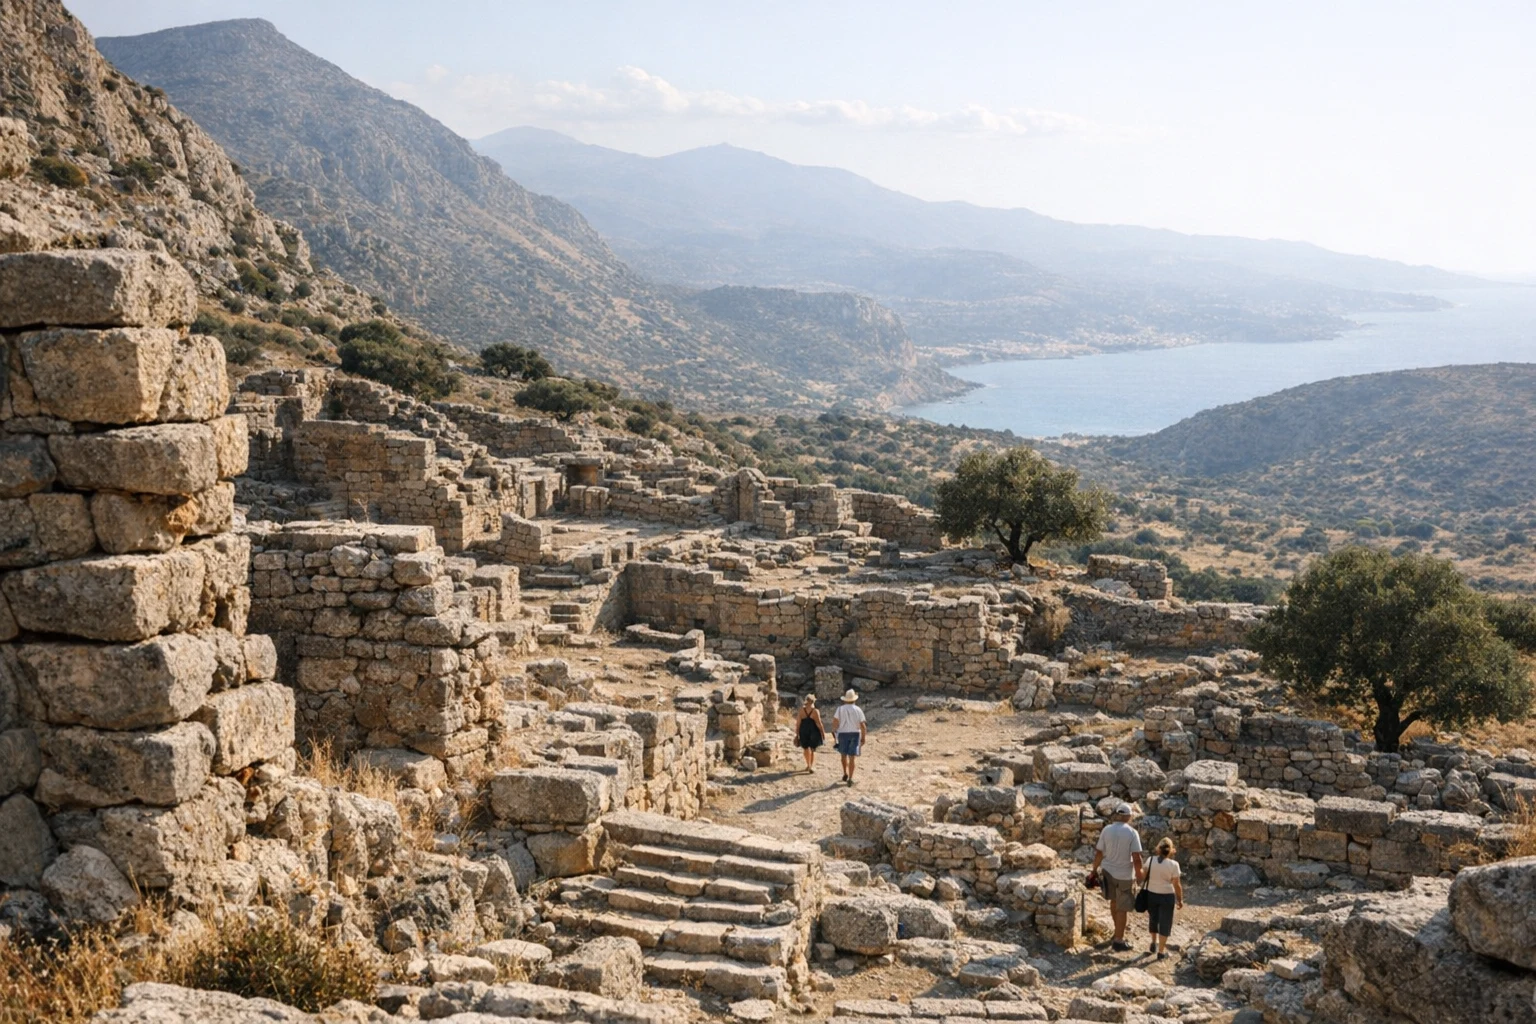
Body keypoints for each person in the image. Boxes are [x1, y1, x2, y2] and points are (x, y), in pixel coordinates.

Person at [1089, 802, 1144, 952]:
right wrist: (1140, 876)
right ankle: (1118, 941)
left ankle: (1116, 934)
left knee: (1113, 902)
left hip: (1108, 872)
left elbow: (1099, 852)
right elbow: (1137, 857)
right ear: (1128, 817)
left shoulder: (1107, 830)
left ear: (1117, 815)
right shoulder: (1132, 833)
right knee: (1122, 908)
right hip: (1125, 875)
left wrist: (1094, 870)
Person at [1140, 837, 1183, 959]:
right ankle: (1161, 951)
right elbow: (1177, 884)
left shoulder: (1150, 860)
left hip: (1151, 893)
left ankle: (1153, 942)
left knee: (1153, 919)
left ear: (1158, 848)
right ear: (1171, 850)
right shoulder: (1174, 865)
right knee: (1165, 922)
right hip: (1167, 896)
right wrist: (1180, 899)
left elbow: (1143, 875)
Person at [831, 689, 867, 786]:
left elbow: (835, 722)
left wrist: (834, 731)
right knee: (852, 757)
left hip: (842, 734)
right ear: (854, 699)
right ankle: (850, 778)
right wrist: (863, 737)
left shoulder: (839, 709)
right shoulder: (858, 710)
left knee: (843, 755)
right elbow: (863, 726)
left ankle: (845, 773)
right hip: (855, 734)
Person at [793, 694, 826, 773]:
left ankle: (808, 765)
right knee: (812, 749)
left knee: (805, 748)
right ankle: (811, 766)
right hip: (813, 731)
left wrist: (797, 734)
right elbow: (819, 723)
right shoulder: (815, 711)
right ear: (813, 701)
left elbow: (798, 723)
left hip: (803, 730)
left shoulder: (801, 710)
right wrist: (823, 733)